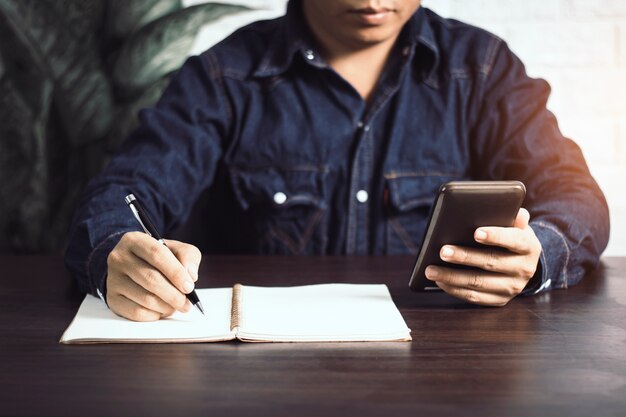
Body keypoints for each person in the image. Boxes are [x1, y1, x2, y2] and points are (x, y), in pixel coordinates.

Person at [65, 0, 609, 321]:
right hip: (258, 375)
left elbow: (576, 195)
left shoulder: (483, 68)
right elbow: (123, 190)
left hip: (442, 373)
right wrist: (116, 250)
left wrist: (538, 254)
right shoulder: (224, 75)